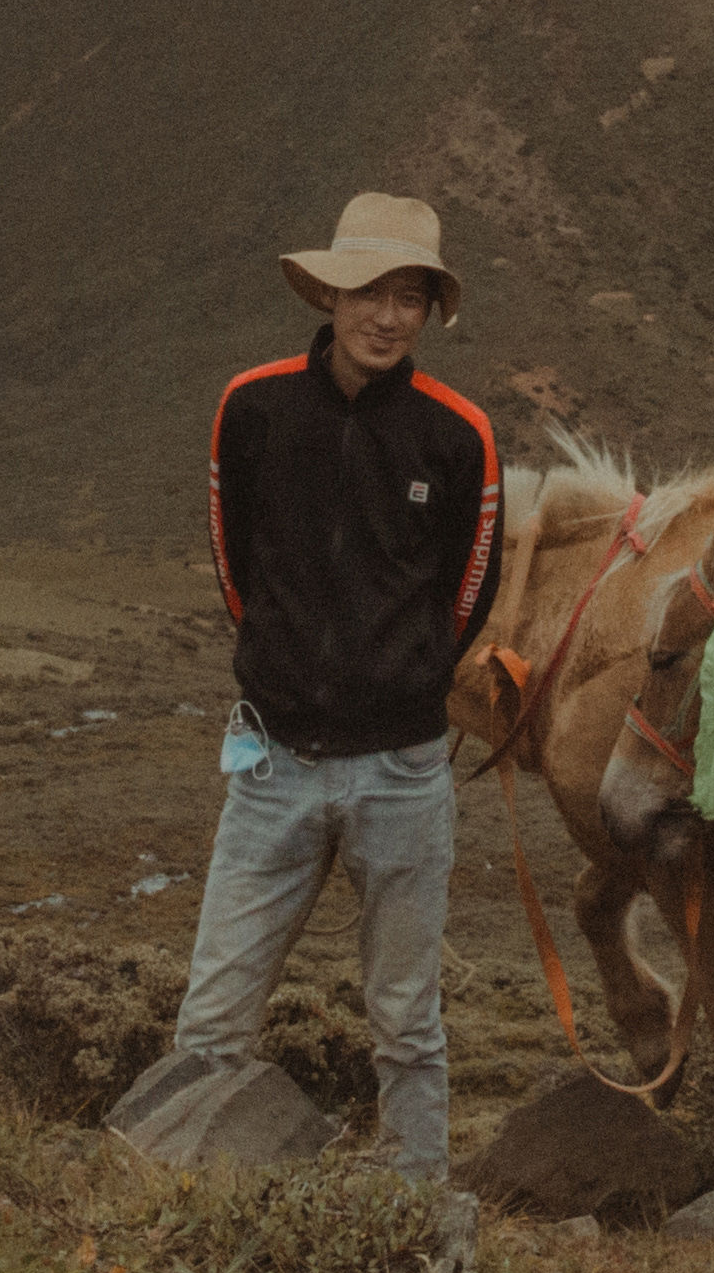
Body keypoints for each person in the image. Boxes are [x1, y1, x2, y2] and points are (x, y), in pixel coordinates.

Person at [170, 189, 504, 1181]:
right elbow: (237, 568)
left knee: (405, 1015)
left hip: (402, 773)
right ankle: (184, 1194)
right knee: (213, 1013)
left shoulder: (459, 436)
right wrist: (284, 665)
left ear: (427, 312)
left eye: (409, 295)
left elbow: (467, 595)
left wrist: (400, 684)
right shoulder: (254, 407)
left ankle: (414, 1203)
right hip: (273, 763)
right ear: (330, 292)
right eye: (368, 290)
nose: (386, 315)